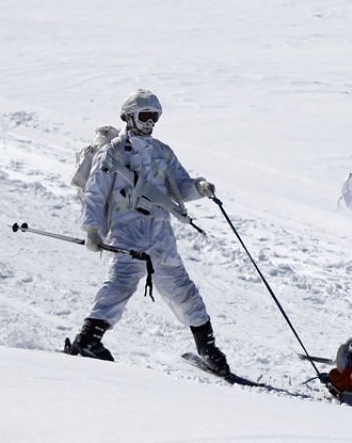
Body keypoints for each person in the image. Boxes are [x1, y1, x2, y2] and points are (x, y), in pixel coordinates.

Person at [64, 89, 230, 374]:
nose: (150, 122)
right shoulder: (112, 152)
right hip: (127, 230)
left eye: (155, 116)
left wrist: (199, 188)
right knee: (121, 283)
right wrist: (92, 229)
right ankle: (88, 340)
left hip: (160, 232)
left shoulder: (162, 152)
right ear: (128, 117)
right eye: (145, 116)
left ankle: (207, 348)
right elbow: (94, 194)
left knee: (182, 289)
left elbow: (179, 187)